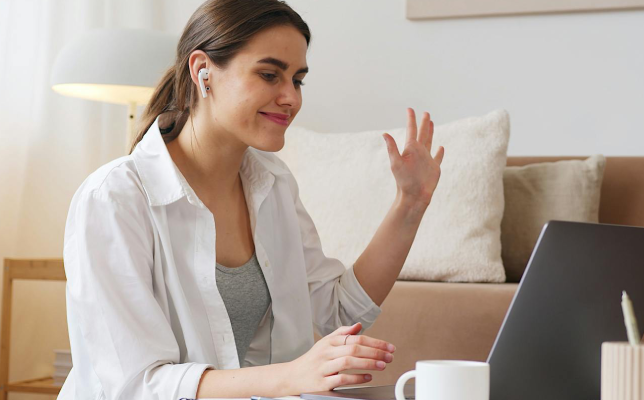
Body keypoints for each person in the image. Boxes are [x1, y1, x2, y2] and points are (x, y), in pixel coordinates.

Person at [58, 0, 445, 398]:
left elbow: (338, 310)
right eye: (269, 74)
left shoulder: (273, 184)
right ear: (202, 71)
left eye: (297, 80)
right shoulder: (113, 200)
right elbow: (138, 385)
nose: (291, 97)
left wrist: (410, 203)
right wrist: (293, 376)